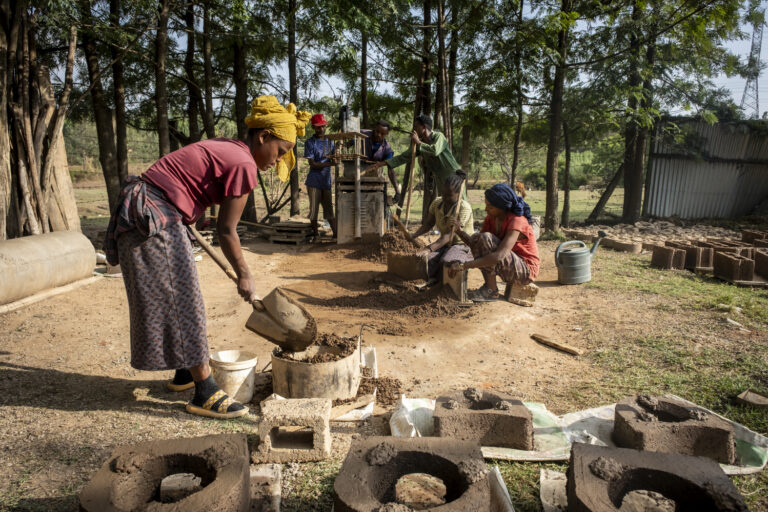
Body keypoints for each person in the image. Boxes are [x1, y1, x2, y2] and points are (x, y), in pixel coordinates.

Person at [103, 95, 310, 419]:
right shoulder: (244, 164)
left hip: (149, 208)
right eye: (280, 151)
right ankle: (205, 392)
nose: (277, 161)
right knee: (184, 301)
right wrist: (244, 273)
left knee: (175, 297)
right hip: (153, 214)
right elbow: (227, 230)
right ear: (263, 136)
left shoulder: (232, 149)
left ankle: (186, 370)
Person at [448, 183, 539, 302]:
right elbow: (476, 244)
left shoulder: (517, 221)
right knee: (479, 238)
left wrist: (463, 266)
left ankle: (491, 290)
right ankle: (489, 288)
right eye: (486, 205)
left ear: (502, 207)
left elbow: (499, 256)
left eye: (490, 207)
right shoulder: (491, 219)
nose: (486, 209)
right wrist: (459, 231)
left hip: (525, 271)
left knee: (485, 238)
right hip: (509, 265)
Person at [366, 114, 461, 221]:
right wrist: (382, 163)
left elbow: (435, 151)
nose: (413, 130)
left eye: (416, 127)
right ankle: (449, 233)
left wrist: (418, 142)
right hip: (441, 180)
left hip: (453, 176)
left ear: (424, 127)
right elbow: (404, 157)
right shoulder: (420, 144)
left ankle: (464, 233)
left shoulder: (438, 136)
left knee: (460, 205)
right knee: (446, 206)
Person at [411, 171, 474, 279]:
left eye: (449, 195)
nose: (445, 198)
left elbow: (450, 235)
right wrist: (414, 235)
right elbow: (429, 224)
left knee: (447, 262)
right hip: (444, 244)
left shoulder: (464, 208)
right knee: (425, 262)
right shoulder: (437, 203)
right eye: (443, 194)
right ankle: (432, 283)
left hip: (461, 245)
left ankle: (448, 288)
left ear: (458, 194)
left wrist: (428, 249)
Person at [304, 113, 337, 240]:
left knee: (329, 209)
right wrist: (330, 163)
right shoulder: (310, 142)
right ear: (313, 127)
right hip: (314, 181)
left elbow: (336, 156)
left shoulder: (330, 142)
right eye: (318, 127)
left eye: (323, 126)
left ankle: (336, 234)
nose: (321, 129)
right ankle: (315, 234)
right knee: (314, 209)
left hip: (326, 181)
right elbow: (312, 163)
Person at [360, 120, 396, 194]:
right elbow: (347, 141)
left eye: (382, 134)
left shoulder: (387, 148)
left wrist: (397, 190)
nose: (379, 135)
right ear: (374, 129)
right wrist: (340, 147)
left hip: (374, 179)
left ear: (386, 134)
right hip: (357, 174)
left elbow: (390, 165)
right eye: (377, 131)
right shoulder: (362, 134)